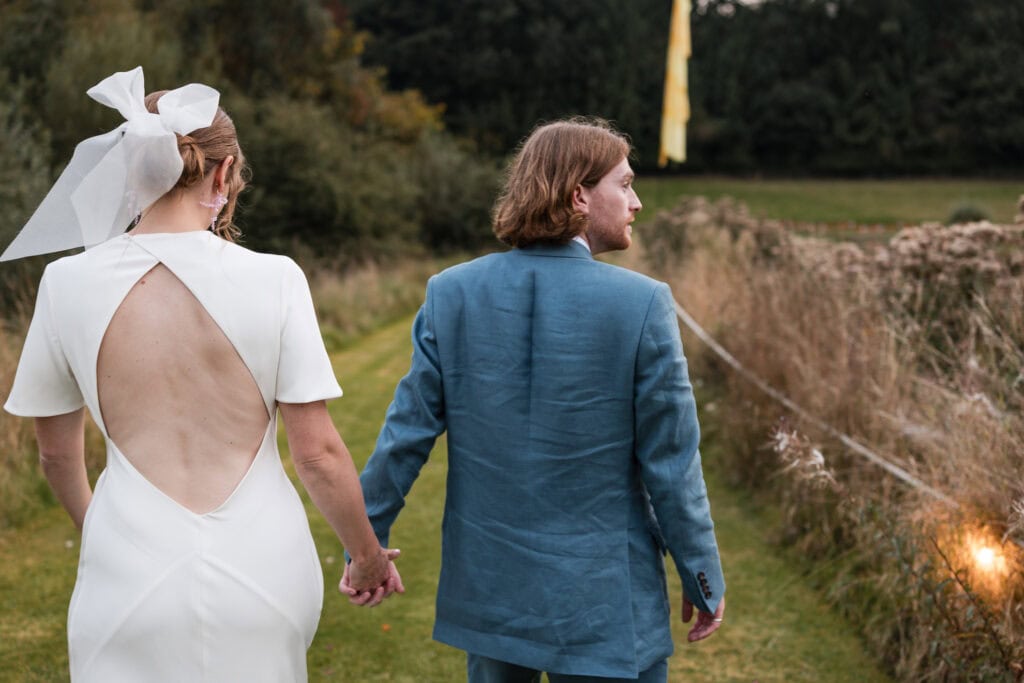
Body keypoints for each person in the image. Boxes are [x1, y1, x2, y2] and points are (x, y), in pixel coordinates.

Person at [2, 67, 399, 682]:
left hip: (125, 570)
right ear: (223, 172)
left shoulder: (65, 283)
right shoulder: (276, 278)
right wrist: (367, 557)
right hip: (263, 567)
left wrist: (102, 534)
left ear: (131, 170)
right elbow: (317, 454)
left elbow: (56, 456)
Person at [349, 117, 726, 682]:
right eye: (625, 185)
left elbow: (404, 438)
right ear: (578, 196)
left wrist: (365, 547)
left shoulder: (451, 292)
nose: (637, 202)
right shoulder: (643, 303)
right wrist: (702, 575)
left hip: (492, 593)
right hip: (605, 603)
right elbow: (672, 464)